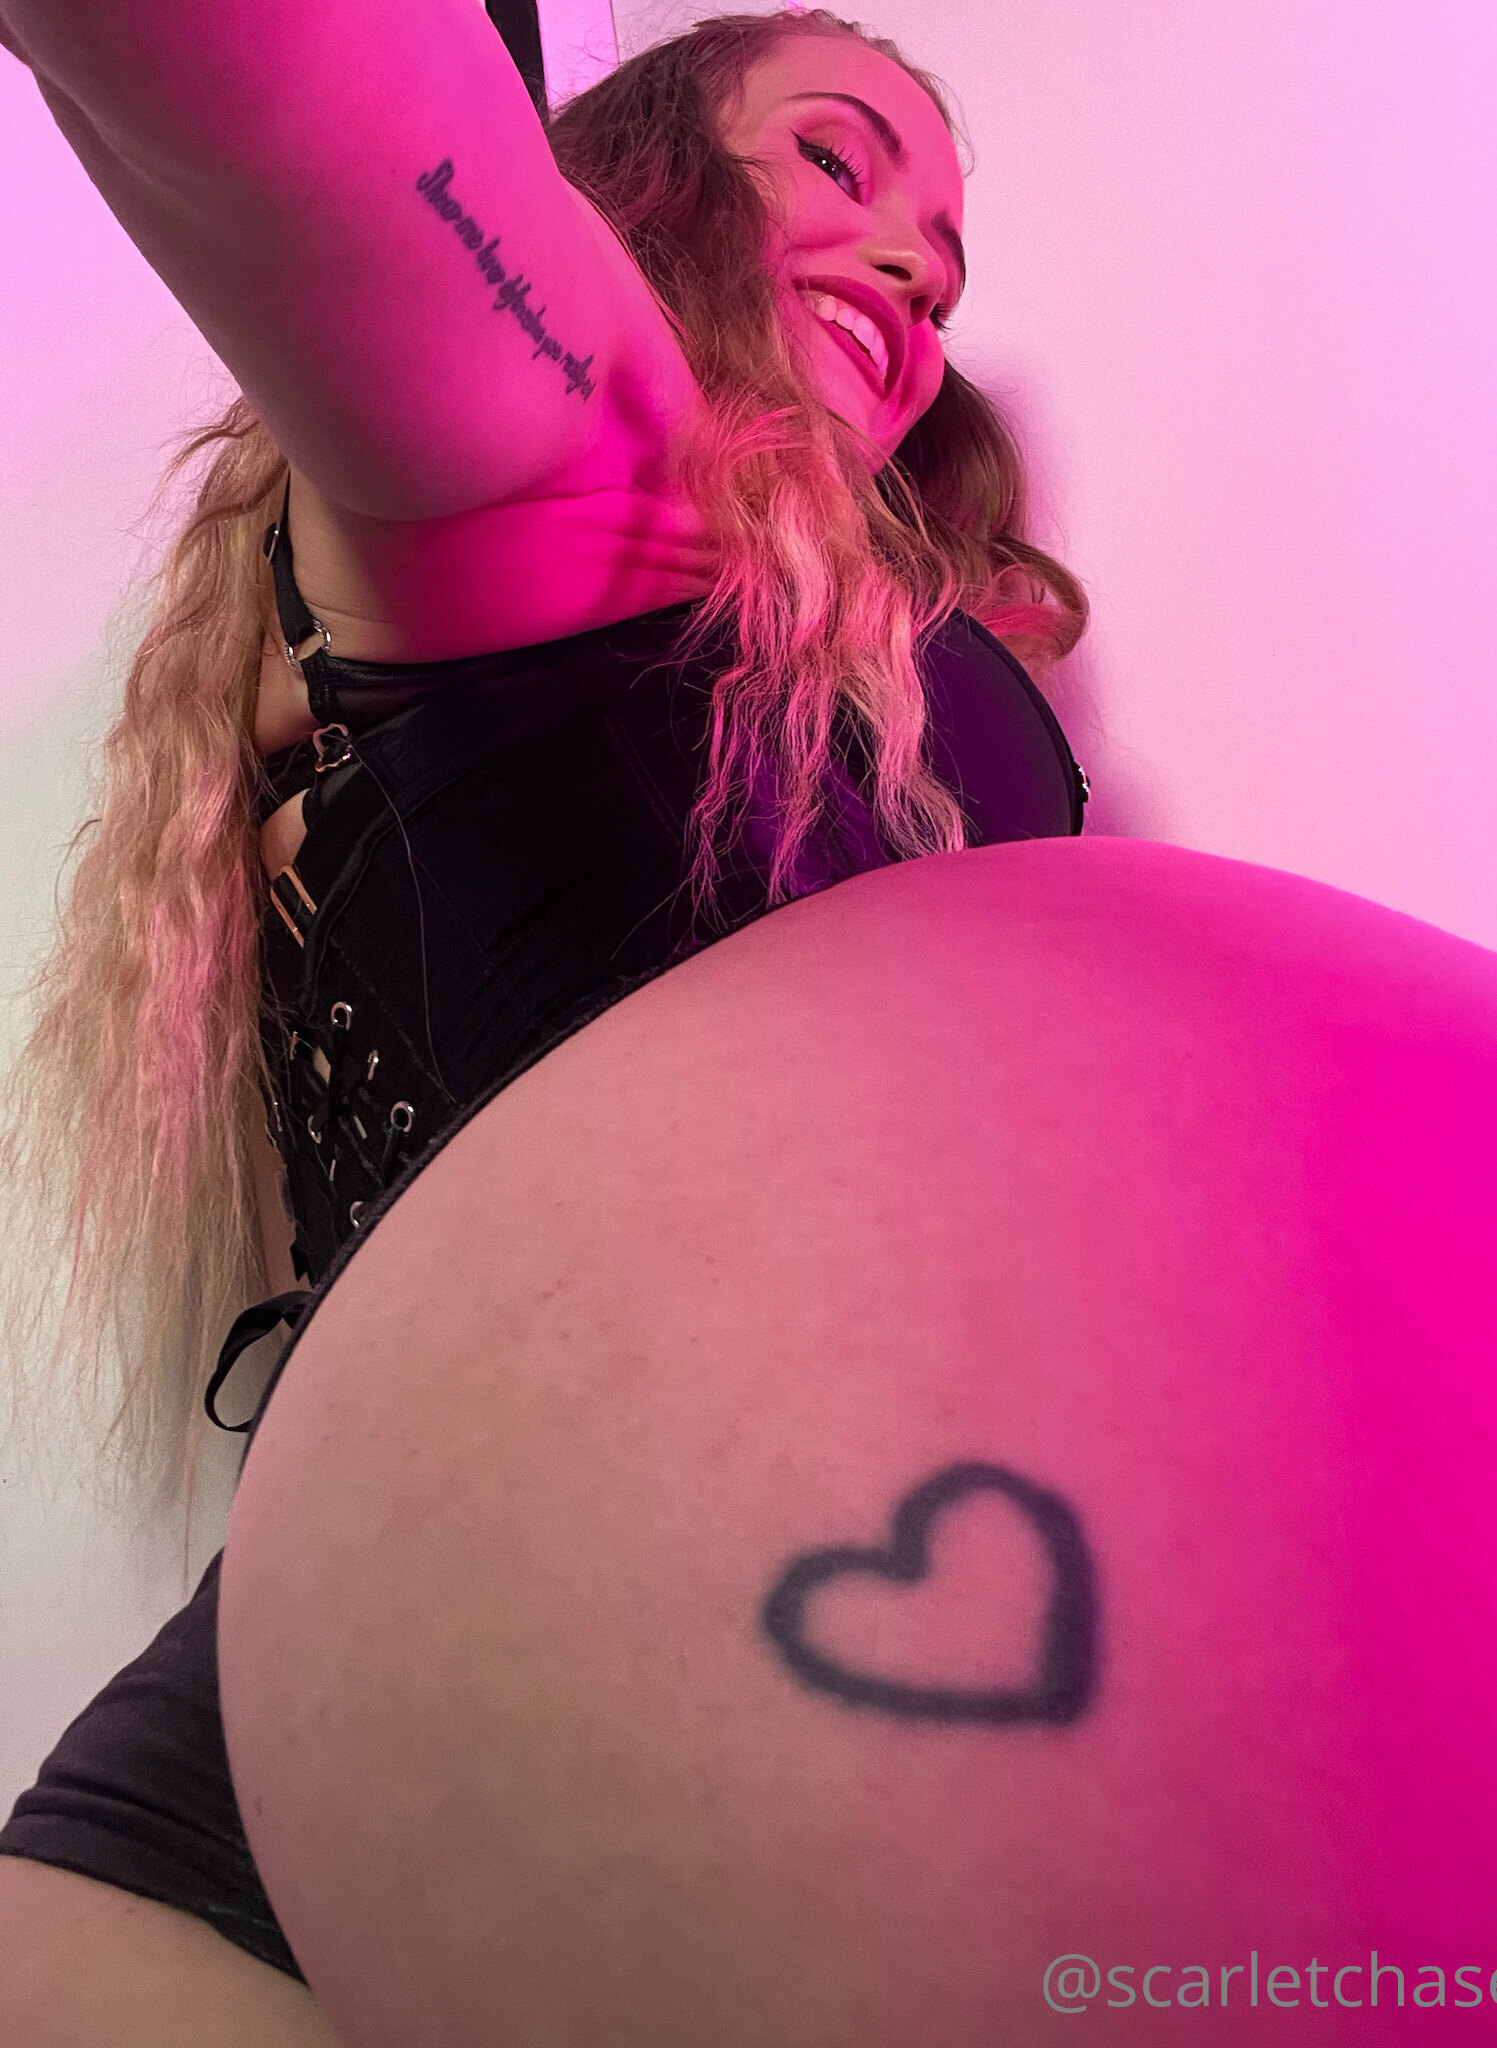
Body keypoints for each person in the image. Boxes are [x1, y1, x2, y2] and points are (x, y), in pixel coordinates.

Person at [0, 7, 1095, 2041]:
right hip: (301, 1870)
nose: (912, 270)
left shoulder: (872, 644)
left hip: (841, 1812)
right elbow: (300, 94)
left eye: (946, 269)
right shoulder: (595, 469)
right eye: (837, 162)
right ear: (634, 191)